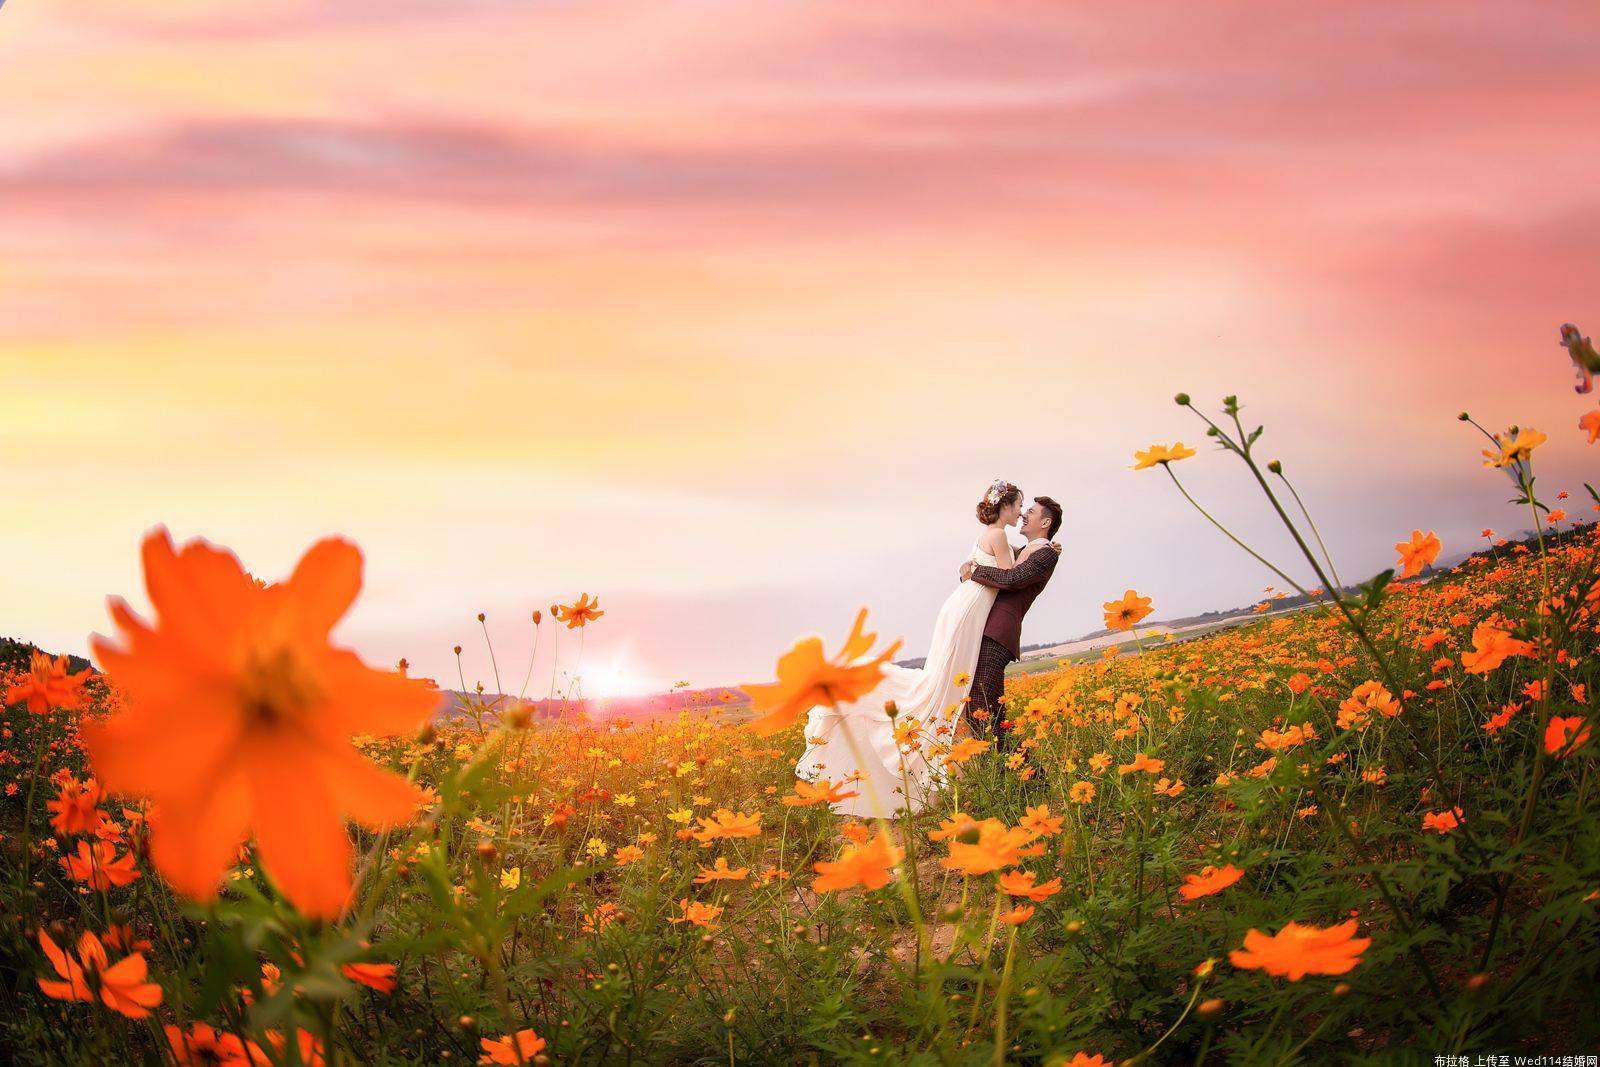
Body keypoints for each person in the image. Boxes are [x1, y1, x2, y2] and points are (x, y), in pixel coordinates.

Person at [793, 480, 1038, 818]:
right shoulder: (997, 535)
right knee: (944, 683)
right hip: (969, 612)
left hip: (965, 607)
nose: (1020, 512)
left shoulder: (995, 536)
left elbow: (976, 571)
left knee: (943, 681)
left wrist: (1031, 551)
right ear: (1004, 506)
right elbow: (1009, 577)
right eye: (1017, 505)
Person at [960, 495, 1064, 750]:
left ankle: (1028, 779)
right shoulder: (1021, 550)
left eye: (1032, 511)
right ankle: (1016, 775)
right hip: (986, 631)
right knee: (981, 710)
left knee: (986, 711)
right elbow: (998, 562)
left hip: (998, 634)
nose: (1024, 514)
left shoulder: (1047, 554)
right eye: (1024, 508)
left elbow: (1013, 579)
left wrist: (975, 572)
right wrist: (970, 566)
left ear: (1046, 522)